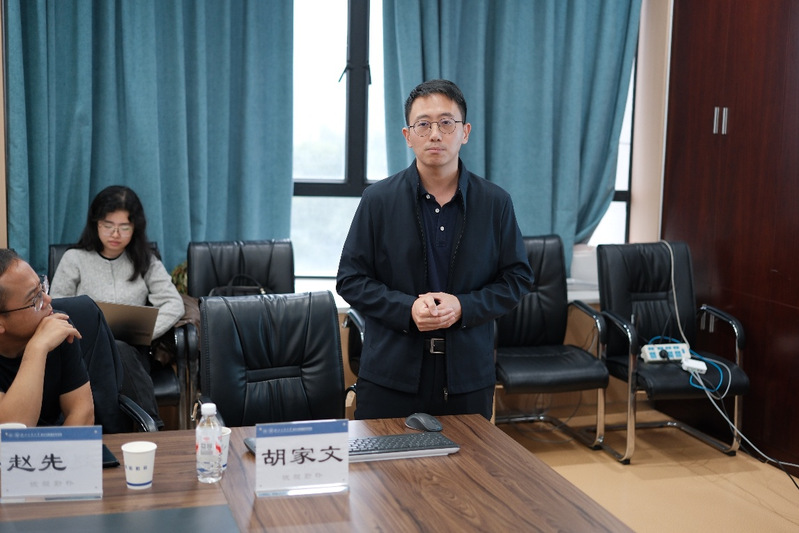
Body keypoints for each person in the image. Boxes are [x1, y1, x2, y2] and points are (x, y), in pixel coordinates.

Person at [336, 79, 534, 420]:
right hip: (390, 374)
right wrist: (407, 308)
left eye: (446, 123)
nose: (435, 134)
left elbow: (517, 279)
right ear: (407, 135)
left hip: (467, 377)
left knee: (467, 457)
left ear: (465, 132)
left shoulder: (495, 202)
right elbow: (350, 280)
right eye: (423, 124)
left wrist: (464, 306)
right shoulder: (378, 200)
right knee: (383, 457)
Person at [50, 185, 183, 429]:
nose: (115, 234)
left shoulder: (145, 260)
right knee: (113, 351)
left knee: (120, 348)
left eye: (124, 227)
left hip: (133, 352)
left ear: (135, 228)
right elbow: (57, 306)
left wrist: (146, 331)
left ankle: (133, 432)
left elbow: (174, 303)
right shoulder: (75, 259)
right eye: (108, 225)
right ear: (95, 223)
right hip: (85, 352)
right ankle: (152, 427)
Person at [0, 249, 95, 427]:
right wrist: (37, 348)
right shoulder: (46, 337)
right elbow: (11, 431)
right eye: (34, 299)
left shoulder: (57, 326)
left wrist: (60, 448)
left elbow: (82, 413)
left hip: (57, 441)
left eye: (42, 288)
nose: (48, 299)